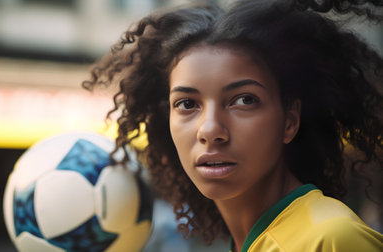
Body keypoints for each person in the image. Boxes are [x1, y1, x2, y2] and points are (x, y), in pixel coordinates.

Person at [83, 0, 383, 251]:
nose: (209, 129)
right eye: (187, 104)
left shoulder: (331, 239)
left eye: (244, 100)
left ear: (289, 120)